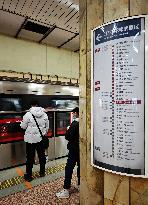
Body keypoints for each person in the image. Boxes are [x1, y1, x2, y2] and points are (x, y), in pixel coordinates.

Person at [20, 100, 49, 182]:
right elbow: (47, 128)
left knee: (30, 157)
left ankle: (29, 176)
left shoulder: (27, 114)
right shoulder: (44, 114)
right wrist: (42, 133)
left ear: (31, 106)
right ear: (38, 105)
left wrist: (21, 123)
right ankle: (42, 172)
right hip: (40, 138)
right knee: (42, 156)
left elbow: (23, 126)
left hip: (30, 140)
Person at [56, 107, 80, 198]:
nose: (73, 115)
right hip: (81, 150)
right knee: (80, 168)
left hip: (74, 150)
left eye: (73, 113)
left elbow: (68, 137)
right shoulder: (84, 121)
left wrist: (68, 129)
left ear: (76, 113)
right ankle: (80, 186)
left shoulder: (74, 123)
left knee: (68, 168)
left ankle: (66, 190)